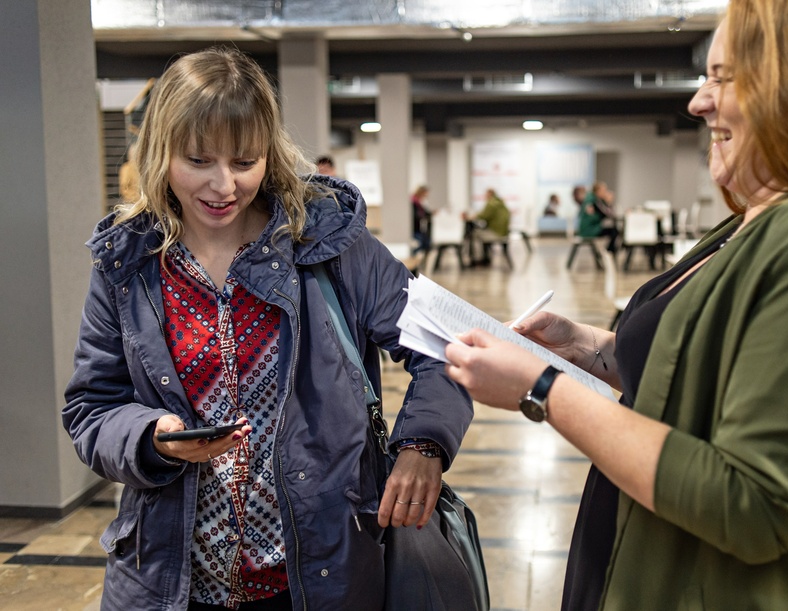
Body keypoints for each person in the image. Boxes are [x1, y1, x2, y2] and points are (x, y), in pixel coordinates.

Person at [445, 0, 788, 608]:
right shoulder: (749, 222)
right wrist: (587, 347)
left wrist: (542, 388)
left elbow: (755, 505)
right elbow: (700, 366)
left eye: (723, 78)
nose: (698, 102)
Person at [62, 47, 472, 611]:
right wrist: (150, 437)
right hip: (166, 580)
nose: (223, 185)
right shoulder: (128, 262)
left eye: (244, 161)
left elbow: (447, 344)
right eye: (198, 160)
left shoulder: (327, 243)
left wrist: (423, 444)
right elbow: (92, 407)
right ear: (161, 152)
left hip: (319, 575)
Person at [464, 188, 511, 265]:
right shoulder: (500, 203)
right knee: (481, 232)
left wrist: (470, 217)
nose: (485, 196)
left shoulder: (491, 204)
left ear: (489, 194)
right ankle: (486, 256)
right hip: (503, 232)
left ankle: (477, 258)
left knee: (474, 234)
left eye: (486, 194)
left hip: (496, 233)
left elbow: (482, 215)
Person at [577, 181, 618, 251]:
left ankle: (609, 251)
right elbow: (606, 214)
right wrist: (608, 202)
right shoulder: (593, 200)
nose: (605, 193)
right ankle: (609, 251)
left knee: (613, 231)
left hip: (589, 229)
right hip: (590, 230)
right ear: (598, 191)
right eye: (604, 191)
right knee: (614, 231)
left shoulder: (592, 199)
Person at [411, 185, 431, 256]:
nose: (426, 196)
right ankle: (412, 254)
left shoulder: (419, 202)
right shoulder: (414, 202)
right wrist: (423, 217)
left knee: (426, 242)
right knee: (424, 242)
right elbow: (416, 215)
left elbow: (425, 212)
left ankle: (414, 255)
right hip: (414, 227)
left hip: (418, 227)